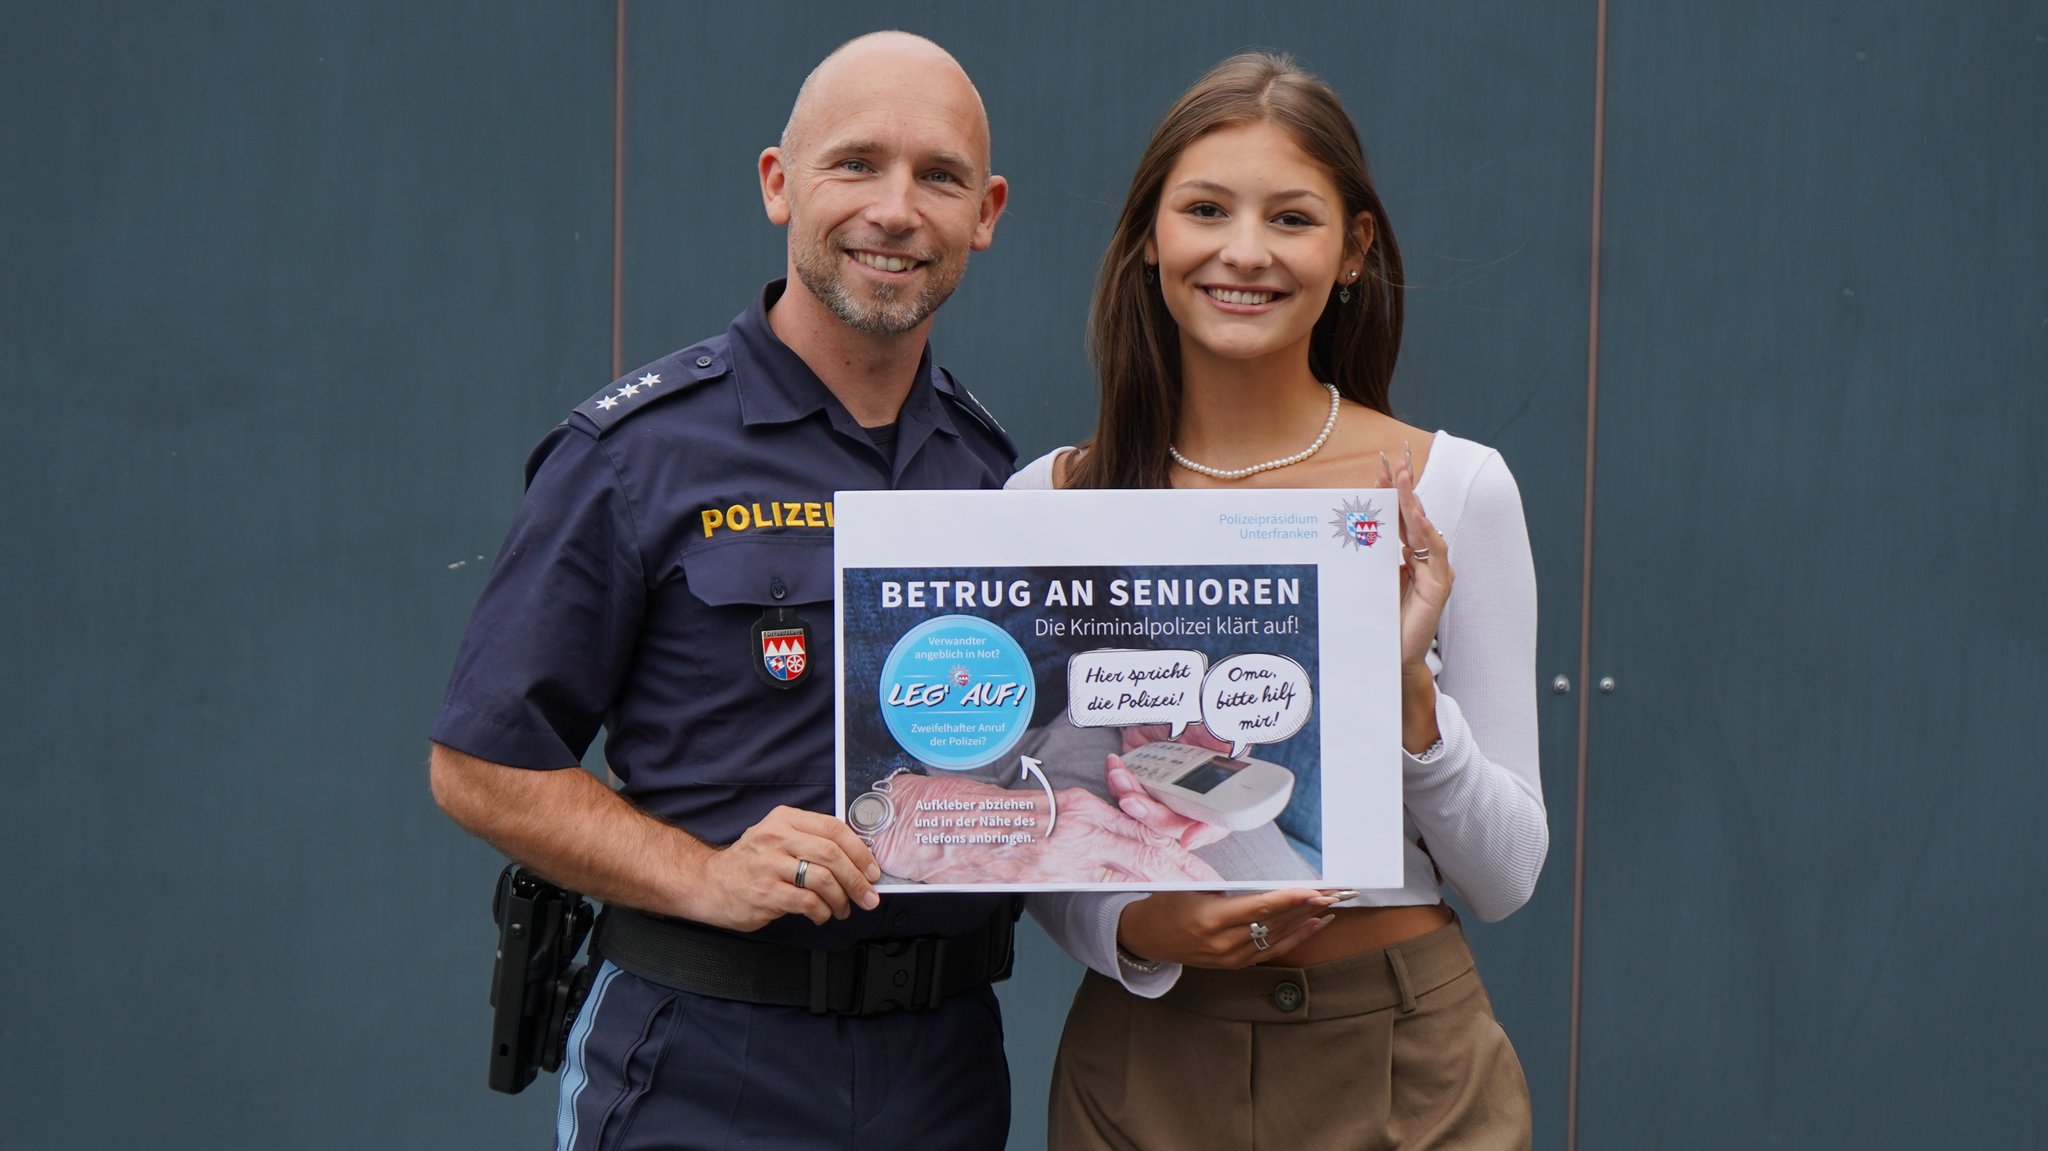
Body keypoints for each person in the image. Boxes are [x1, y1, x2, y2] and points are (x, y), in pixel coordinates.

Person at [427, 32, 1019, 1151]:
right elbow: (478, 761)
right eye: (855, 164)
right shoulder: (637, 453)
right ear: (777, 183)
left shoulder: (996, 474)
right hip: (703, 1060)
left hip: (944, 1066)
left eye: (937, 176)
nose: (895, 209)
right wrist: (702, 874)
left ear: (983, 211)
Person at [1010, 52, 1547, 1149]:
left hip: (1405, 1058)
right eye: (1204, 208)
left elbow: (1504, 874)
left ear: (1350, 249)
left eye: (1290, 217)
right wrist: (1139, 922)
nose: (1242, 250)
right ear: (1147, 238)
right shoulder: (1049, 500)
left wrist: (1400, 689)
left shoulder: (1448, 490)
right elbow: (1037, 818)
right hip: (1146, 1063)